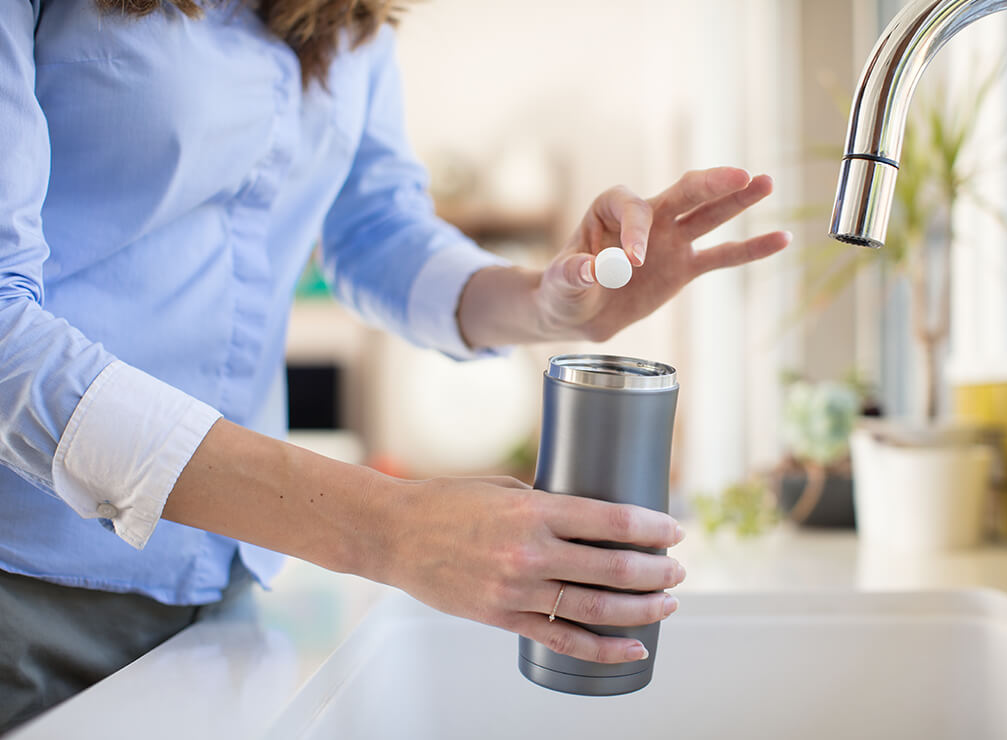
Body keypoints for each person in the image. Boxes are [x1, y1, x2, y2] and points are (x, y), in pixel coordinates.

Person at [0, 0, 790, 731]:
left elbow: (375, 225)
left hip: (222, 582)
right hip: (26, 580)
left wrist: (545, 302)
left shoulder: (349, 15)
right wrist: (387, 527)